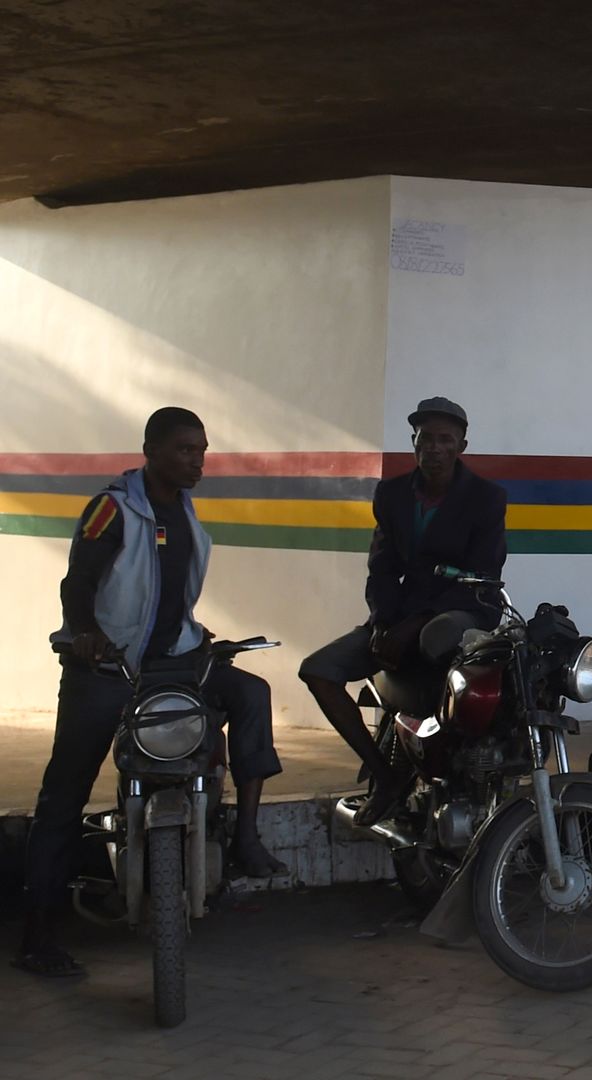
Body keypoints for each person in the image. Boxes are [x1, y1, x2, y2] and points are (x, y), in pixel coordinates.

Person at [18, 408, 284, 978]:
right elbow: (78, 580)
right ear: (151, 449)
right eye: (186, 449)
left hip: (175, 664)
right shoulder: (113, 508)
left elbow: (165, 595)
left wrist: (197, 636)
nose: (197, 460)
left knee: (251, 694)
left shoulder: (183, 510)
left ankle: (245, 835)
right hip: (109, 670)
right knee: (63, 798)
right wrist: (84, 633)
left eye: (203, 450)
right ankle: (37, 936)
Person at [298, 397, 507, 825]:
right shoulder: (391, 494)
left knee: (435, 639)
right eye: (424, 438)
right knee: (318, 670)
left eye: (444, 440)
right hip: (400, 615)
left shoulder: (487, 498)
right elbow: (381, 567)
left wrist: (412, 625)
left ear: (461, 446)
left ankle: (449, 752)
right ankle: (384, 775)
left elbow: (483, 575)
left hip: (463, 611)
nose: (433, 448)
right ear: (412, 441)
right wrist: (381, 621)